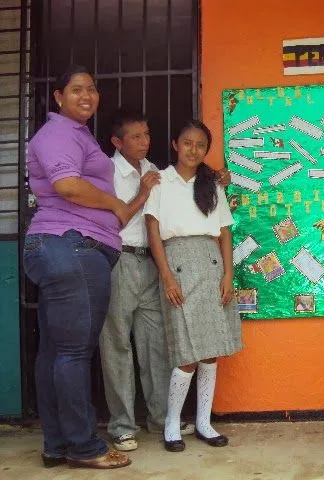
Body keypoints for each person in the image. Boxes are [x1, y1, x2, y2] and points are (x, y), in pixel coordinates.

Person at [23, 65, 135, 469]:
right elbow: (67, 184)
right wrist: (115, 205)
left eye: (91, 88)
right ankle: (83, 445)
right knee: (72, 353)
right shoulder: (58, 133)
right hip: (71, 246)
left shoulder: (75, 134)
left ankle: (57, 444)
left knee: (55, 352)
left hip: (63, 247)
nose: (86, 95)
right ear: (57, 97)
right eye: (75, 90)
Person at [98, 108, 201, 452]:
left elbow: (186, 186)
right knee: (117, 345)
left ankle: (160, 418)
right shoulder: (105, 171)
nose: (145, 142)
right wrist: (141, 193)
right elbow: (106, 221)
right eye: (136, 136)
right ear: (117, 141)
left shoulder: (154, 170)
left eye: (147, 135)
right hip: (119, 260)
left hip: (151, 264)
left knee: (156, 344)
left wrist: (217, 179)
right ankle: (123, 426)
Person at [144, 120, 242, 452]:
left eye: (201, 145)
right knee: (186, 353)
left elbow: (225, 231)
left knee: (211, 352)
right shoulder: (160, 181)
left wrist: (228, 275)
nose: (194, 150)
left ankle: (203, 423)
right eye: (187, 143)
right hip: (178, 267)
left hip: (211, 265)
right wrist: (167, 277)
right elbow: (153, 232)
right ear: (175, 144)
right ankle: (172, 424)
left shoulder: (211, 184)